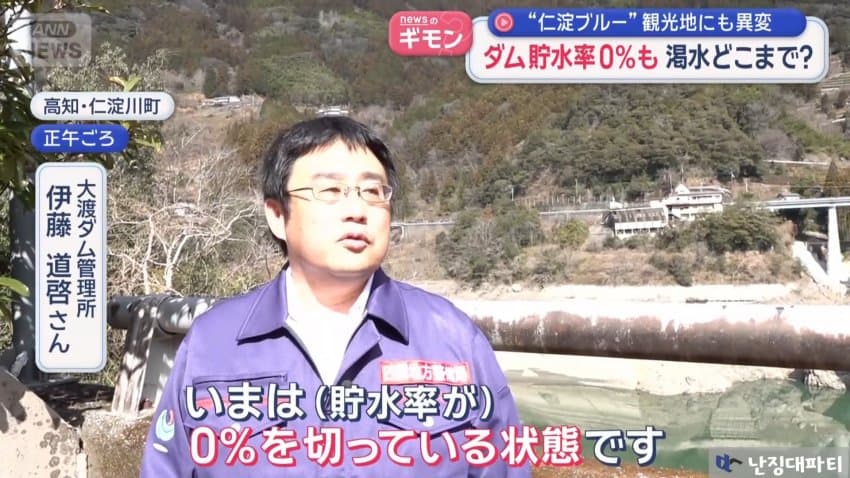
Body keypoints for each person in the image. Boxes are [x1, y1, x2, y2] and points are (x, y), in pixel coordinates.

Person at [139, 116, 530, 477]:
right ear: (277, 215)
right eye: (330, 190)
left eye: (373, 191)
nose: (357, 209)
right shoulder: (213, 343)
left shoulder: (452, 337)